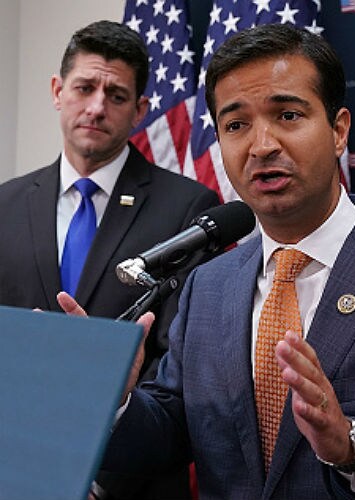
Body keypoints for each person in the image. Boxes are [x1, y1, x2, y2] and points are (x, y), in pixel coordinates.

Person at [60, 23, 355, 499]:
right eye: (236, 125)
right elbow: (170, 433)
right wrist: (115, 401)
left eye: (288, 115)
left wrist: (351, 445)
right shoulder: (207, 286)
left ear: (338, 131)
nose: (262, 146)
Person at [0, 20, 219, 499]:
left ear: (140, 109)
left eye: (116, 96)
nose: (97, 107)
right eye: (85, 88)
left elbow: (178, 370)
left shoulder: (187, 210)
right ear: (58, 91)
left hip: (125, 482)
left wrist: (97, 481)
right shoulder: (5, 205)